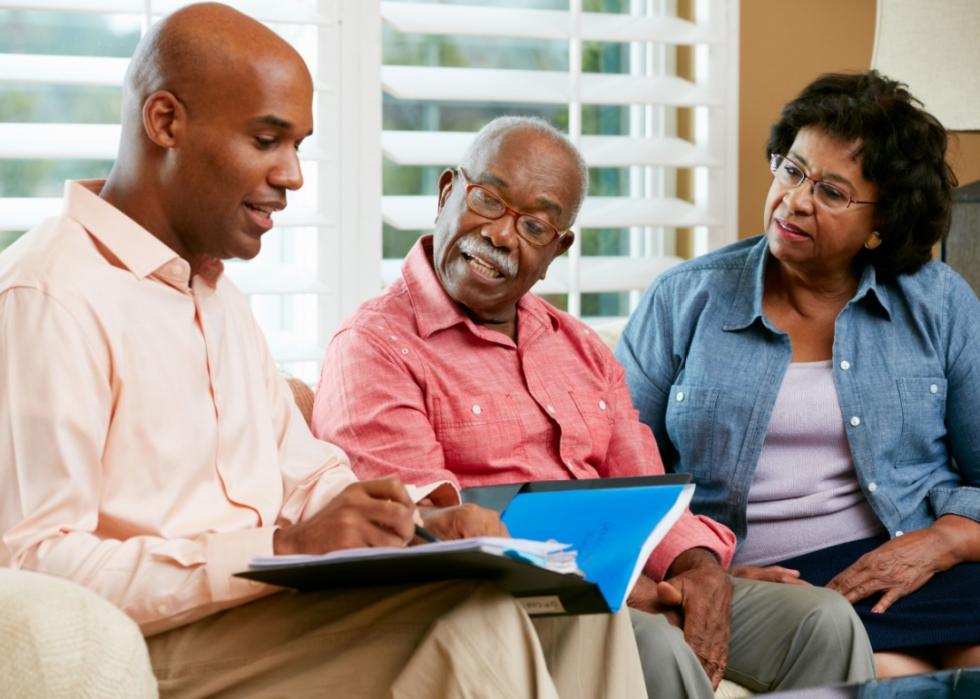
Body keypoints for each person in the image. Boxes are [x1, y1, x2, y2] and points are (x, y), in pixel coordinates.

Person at [0, 5, 650, 697]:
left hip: (264, 609)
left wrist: (422, 522)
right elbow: (34, 563)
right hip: (154, 643)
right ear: (165, 122)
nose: (293, 176)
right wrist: (281, 548)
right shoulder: (48, 295)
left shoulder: (217, 298)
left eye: (299, 146)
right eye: (267, 140)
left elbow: (305, 475)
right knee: (472, 628)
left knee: (579, 605)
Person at [313, 115, 876, 697]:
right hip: (496, 604)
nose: (502, 236)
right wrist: (611, 586)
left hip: (620, 584)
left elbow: (646, 492)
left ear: (558, 249)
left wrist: (700, 570)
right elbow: (427, 536)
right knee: (650, 645)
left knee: (822, 621)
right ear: (447, 191)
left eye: (534, 225)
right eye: (488, 201)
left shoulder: (578, 346)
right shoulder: (374, 348)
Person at [616, 70, 980, 679]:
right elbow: (615, 472)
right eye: (792, 169)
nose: (796, 199)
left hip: (916, 560)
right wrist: (698, 568)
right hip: (775, 579)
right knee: (892, 669)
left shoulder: (938, 302)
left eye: (833, 192)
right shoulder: (685, 298)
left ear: (881, 226)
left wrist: (946, 540)